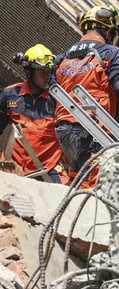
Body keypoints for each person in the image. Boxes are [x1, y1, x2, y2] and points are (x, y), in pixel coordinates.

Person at [53, 4, 119, 186]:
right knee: (95, 181)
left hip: (63, 128)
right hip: (93, 128)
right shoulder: (111, 53)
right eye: (111, 32)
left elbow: (52, 93)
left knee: (76, 175)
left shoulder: (64, 58)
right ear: (106, 30)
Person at [0, 44, 69, 184]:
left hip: (45, 171)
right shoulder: (11, 94)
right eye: (42, 72)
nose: (47, 77)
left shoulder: (59, 101)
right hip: (11, 167)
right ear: (28, 72)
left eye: (48, 72)